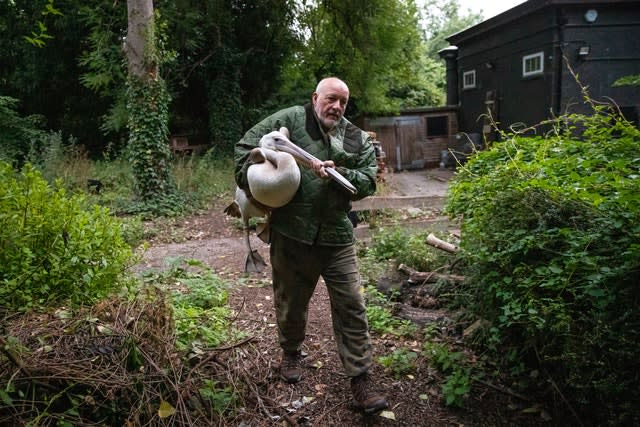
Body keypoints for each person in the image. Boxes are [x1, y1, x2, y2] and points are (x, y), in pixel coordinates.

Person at [233, 77, 388, 414]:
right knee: (290, 301)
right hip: (292, 233)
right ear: (316, 97)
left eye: (343, 102)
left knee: (351, 305)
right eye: (331, 99)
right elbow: (243, 151)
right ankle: (290, 352)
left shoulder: (352, 135)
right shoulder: (287, 121)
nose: (337, 107)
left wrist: (339, 177)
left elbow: (368, 178)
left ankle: (360, 378)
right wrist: (259, 175)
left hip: (336, 235)